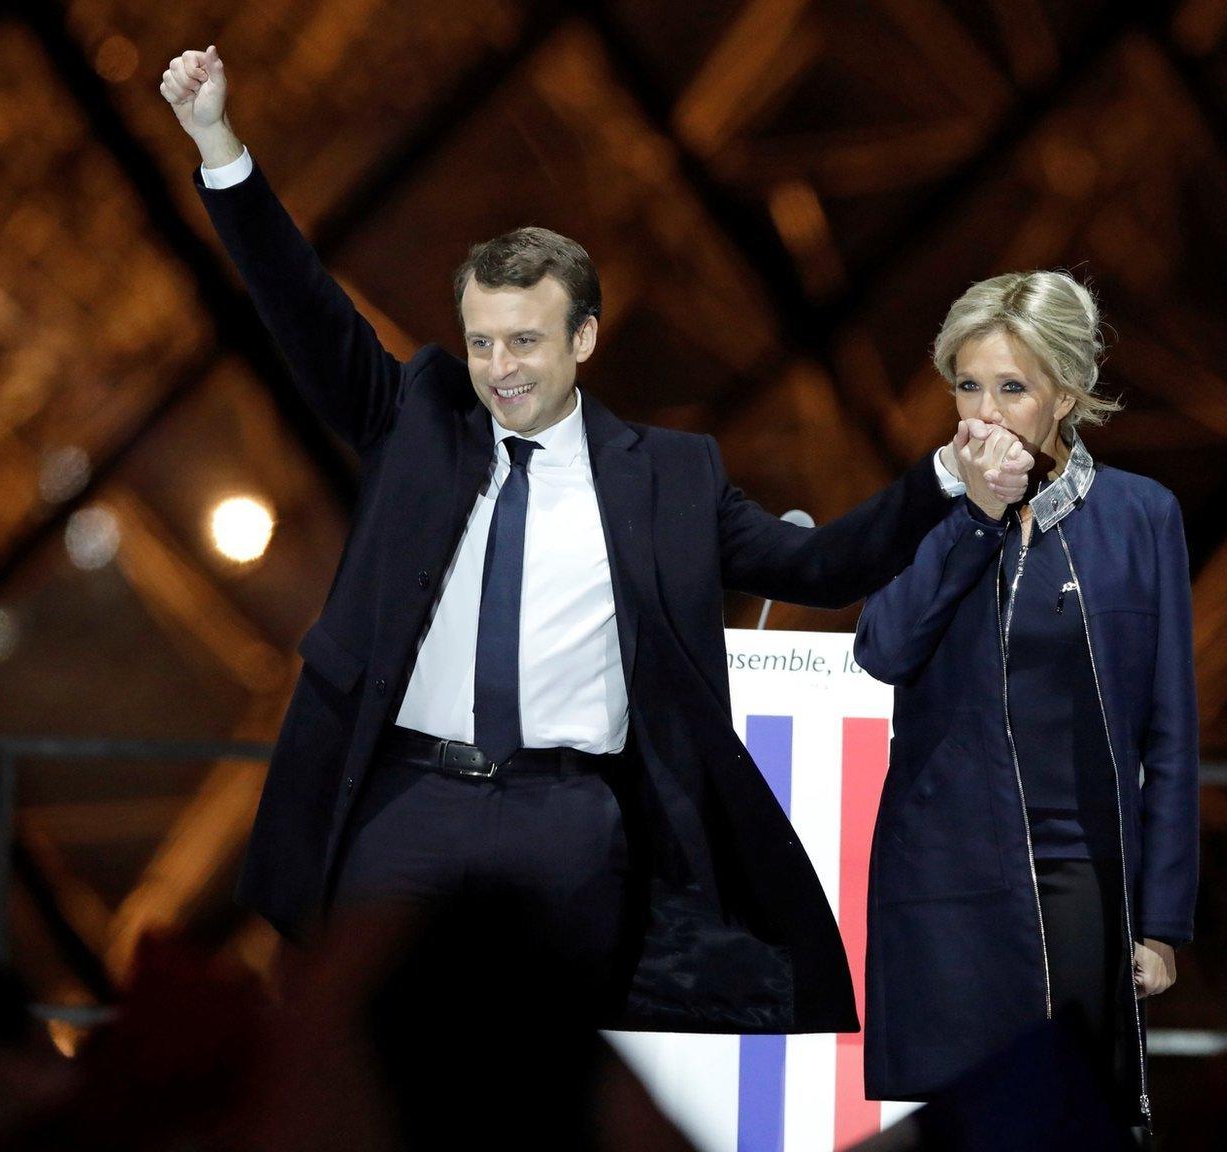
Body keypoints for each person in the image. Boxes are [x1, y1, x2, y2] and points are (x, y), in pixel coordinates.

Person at [156, 47, 1026, 1033]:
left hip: (565, 821)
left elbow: (820, 566)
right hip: (407, 799)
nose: (498, 368)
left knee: (539, 1075)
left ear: (583, 340)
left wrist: (944, 479)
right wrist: (219, 146)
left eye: (524, 340)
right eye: (481, 341)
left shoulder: (669, 475)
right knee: (358, 1049)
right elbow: (304, 311)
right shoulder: (420, 417)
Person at [853, 271, 1200, 1137]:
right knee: (968, 1126)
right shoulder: (929, 505)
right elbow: (883, 650)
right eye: (968, 385)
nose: (986, 410)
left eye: (1012, 387)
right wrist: (974, 512)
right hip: (951, 875)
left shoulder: (1140, 516)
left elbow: (1172, 731)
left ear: (1065, 394)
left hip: (1081, 876)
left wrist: (1159, 922)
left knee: (1073, 1118)